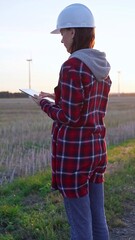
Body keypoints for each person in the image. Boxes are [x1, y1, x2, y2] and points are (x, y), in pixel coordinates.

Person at [33, 3, 112, 240]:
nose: (61, 40)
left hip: (75, 157)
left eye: (63, 33)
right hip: (97, 152)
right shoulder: (101, 67)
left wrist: (43, 104)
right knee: (98, 220)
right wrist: (55, 95)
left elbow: (70, 116)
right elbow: (86, 101)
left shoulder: (72, 66)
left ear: (74, 32)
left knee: (80, 227)